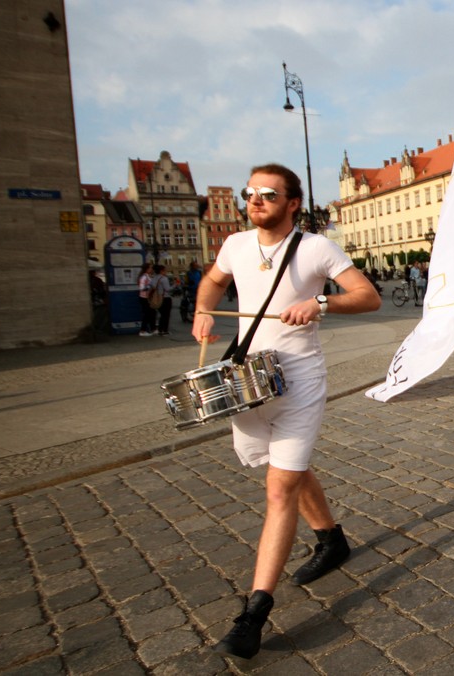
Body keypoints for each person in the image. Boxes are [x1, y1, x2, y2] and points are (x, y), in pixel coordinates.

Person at [193, 163, 381, 660]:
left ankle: (253, 614)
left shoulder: (316, 248)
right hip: (247, 380)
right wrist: (203, 310)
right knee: (284, 470)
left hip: (297, 380)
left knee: (279, 488)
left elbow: (368, 297)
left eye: (268, 194)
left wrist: (321, 302)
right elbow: (212, 283)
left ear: (293, 202)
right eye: (250, 193)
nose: (256, 200)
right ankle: (331, 538)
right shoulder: (235, 245)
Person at [151, 265, 173, 336]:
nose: (166, 272)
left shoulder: (154, 278)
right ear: (161, 271)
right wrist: (175, 285)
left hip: (157, 297)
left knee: (162, 314)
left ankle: (160, 329)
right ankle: (165, 330)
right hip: (165, 298)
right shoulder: (164, 278)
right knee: (166, 315)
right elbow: (167, 289)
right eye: (165, 270)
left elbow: (152, 286)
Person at [137, 262, 156, 337]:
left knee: (152, 313)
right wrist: (150, 287)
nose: (151, 269)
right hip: (144, 297)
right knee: (147, 314)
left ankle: (153, 328)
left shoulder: (148, 276)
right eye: (150, 268)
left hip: (147, 297)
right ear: (147, 269)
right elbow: (141, 288)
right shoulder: (144, 277)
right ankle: (143, 330)